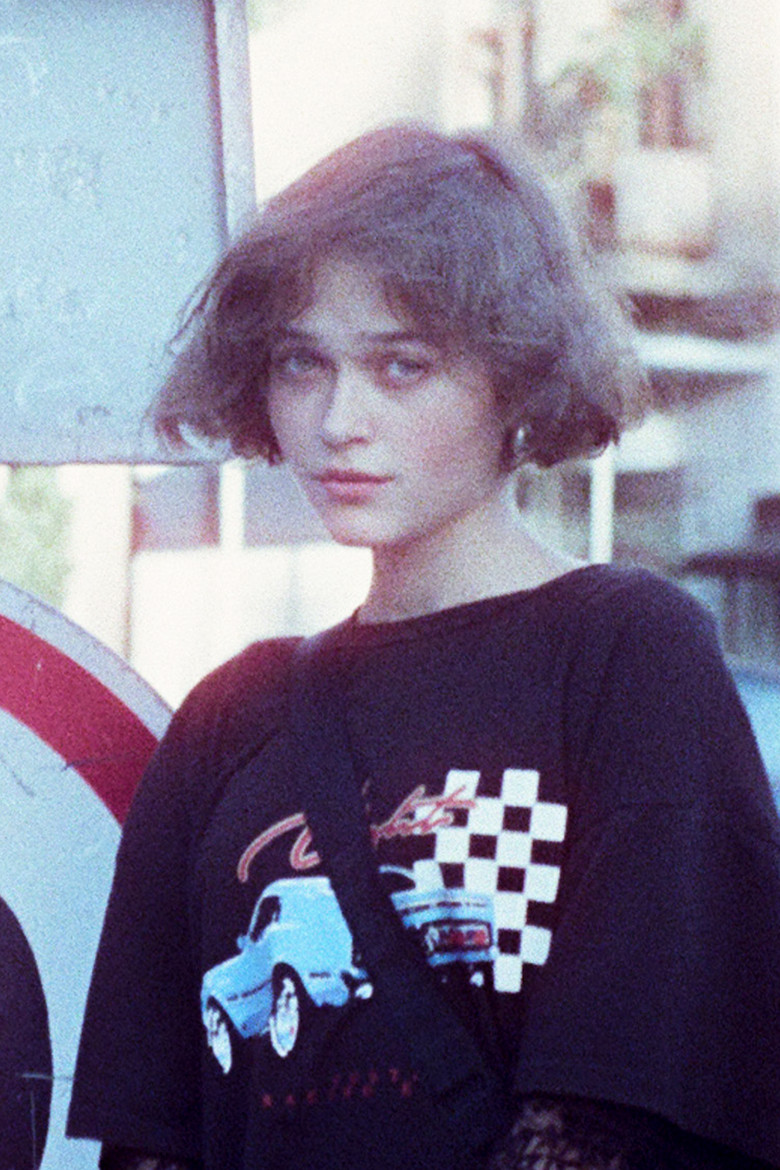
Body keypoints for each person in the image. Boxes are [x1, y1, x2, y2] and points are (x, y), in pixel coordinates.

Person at [67, 124, 780, 1170]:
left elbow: (624, 1110)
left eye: (402, 366)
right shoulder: (231, 715)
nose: (338, 420)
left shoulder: (624, 651)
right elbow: (150, 1134)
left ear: (517, 377)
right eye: (302, 363)